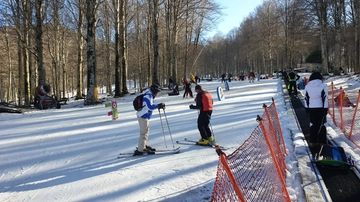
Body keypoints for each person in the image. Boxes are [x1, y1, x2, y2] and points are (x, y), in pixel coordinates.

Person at [134, 84, 165, 156]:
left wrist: (158, 105)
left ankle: (143, 145)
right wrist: (158, 105)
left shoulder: (148, 94)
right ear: (154, 91)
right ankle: (141, 149)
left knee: (146, 131)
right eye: (157, 92)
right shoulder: (148, 96)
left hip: (144, 116)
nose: (157, 93)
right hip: (142, 116)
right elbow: (149, 106)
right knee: (144, 132)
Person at [304, 72, 328, 146]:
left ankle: (313, 141)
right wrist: (325, 109)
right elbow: (325, 98)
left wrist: (307, 108)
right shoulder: (323, 86)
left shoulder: (307, 86)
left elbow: (306, 98)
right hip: (320, 108)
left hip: (311, 108)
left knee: (313, 124)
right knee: (321, 124)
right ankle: (322, 141)